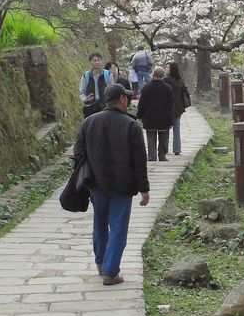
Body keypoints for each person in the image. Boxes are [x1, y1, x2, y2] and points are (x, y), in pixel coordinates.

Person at [74, 82, 149, 286]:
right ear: (122, 100)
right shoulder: (131, 125)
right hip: (122, 187)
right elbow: (139, 161)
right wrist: (144, 189)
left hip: (96, 184)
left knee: (99, 223)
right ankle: (111, 271)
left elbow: (78, 153)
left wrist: (90, 172)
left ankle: (101, 262)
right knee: (117, 227)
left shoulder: (89, 122)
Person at [135, 66, 174, 162]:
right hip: (164, 118)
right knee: (163, 137)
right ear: (163, 75)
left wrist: (139, 115)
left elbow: (142, 103)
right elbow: (171, 104)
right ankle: (162, 156)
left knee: (151, 137)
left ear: (153, 75)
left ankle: (151, 156)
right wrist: (171, 117)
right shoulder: (168, 88)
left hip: (149, 118)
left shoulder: (146, 88)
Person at [164, 62, 192, 156]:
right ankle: (177, 149)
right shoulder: (180, 80)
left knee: (165, 128)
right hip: (178, 107)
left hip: (167, 107)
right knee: (177, 128)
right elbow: (186, 92)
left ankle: (164, 149)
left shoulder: (166, 80)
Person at [79, 53, 113, 117]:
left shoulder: (108, 74)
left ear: (101, 61)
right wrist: (85, 99)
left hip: (105, 108)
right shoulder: (86, 76)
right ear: (90, 62)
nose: (97, 62)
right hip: (90, 108)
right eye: (94, 60)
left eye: (99, 60)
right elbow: (82, 92)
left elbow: (112, 90)